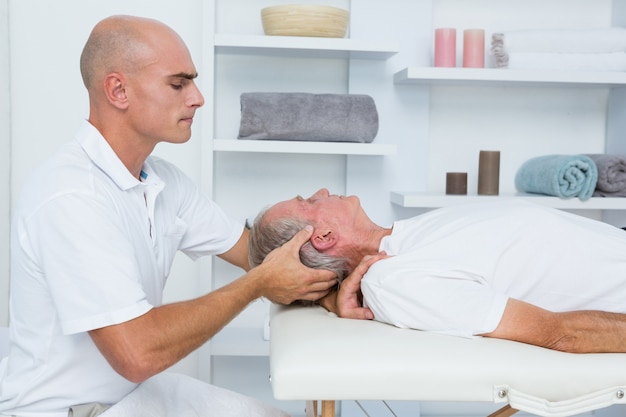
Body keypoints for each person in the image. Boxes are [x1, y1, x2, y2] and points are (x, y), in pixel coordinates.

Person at [0, 15, 339, 417]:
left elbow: (253, 251)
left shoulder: (163, 182)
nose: (197, 98)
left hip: (132, 394)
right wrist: (258, 285)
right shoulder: (71, 196)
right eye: (178, 84)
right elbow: (136, 353)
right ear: (118, 90)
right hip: (66, 409)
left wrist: (339, 287)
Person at [248, 188, 626, 353]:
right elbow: (562, 337)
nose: (324, 190)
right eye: (310, 201)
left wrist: (330, 296)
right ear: (325, 237)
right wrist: (332, 296)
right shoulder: (394, 280)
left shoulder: (400, 240)